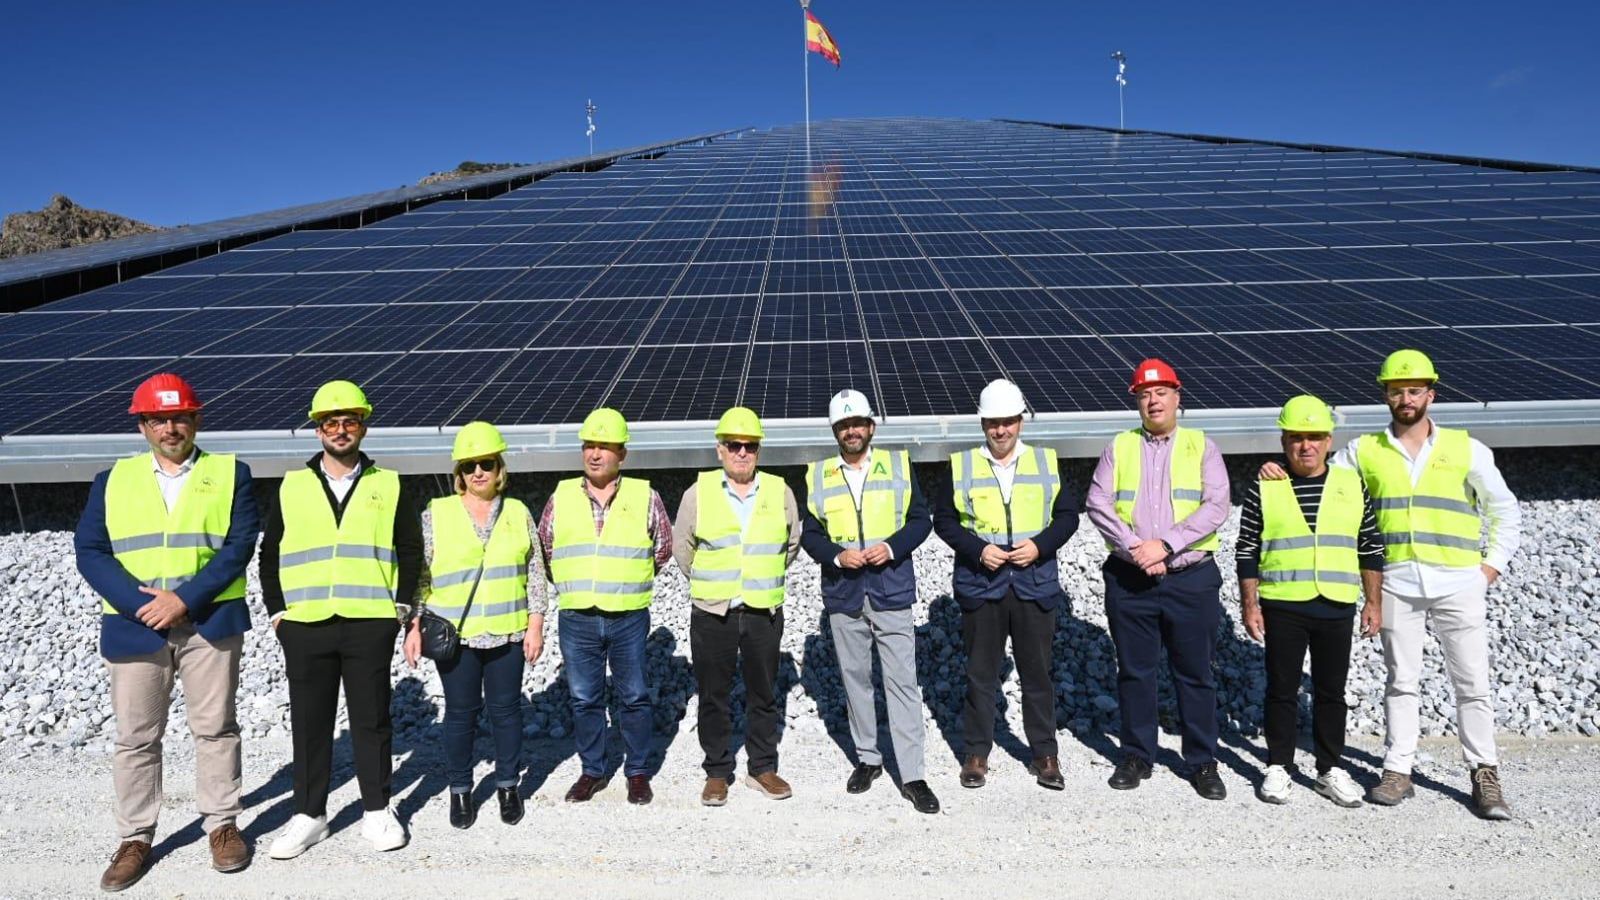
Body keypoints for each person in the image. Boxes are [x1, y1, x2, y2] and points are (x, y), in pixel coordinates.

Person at [1260, 349, 1521, 819]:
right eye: (1397, 389)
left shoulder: (1467, 448)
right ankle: (1398, 769)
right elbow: (1316, 473)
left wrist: (1489, 569)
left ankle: (1485, 773)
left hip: (1459, 580)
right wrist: (1274, 471)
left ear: (1430, 394)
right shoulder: (1363, 452)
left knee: (1472, 683)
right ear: (1385, 394)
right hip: (1399, 581)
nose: (1406, 397)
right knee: (1401, 681)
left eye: (1415, 389)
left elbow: (1503, 509)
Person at [75, 373, 259, 892]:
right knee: (136, 737)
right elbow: (90, 550)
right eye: (159, 418)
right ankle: (135, 837)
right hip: (136, 629)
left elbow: (238, 545)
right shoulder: (112, 480)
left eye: (180, 417)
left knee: (216, 728)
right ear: (143, 425)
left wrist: (184, 599)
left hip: (208, 621)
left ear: (197, 419)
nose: (171, 427)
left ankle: (222, 826)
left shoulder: (230, 473)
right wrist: (141, 606)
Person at [261, 380, 423, 859]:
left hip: (370, 621)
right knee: (311, 723)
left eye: (349, 420)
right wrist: (277, 615)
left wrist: (400, 609)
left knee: (372, 719)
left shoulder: (388, 483)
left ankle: (377, 810)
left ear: (363, 426)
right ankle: (309, 816)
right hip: (305, 623)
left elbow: (409, 550)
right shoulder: (291, 485)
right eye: (330, 422)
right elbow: (269, 553)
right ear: (317, 430)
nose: (340, 429)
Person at [1085, 358, 1231, 799]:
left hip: (1191, 578)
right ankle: (1136, 754)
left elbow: (1216, 506)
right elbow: (1097, 501)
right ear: (1137, 400)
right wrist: (1136, 549)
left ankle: (1203, 761)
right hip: (1131, 580)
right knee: (1135, 672)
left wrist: (1164, 545)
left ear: (1177, 396)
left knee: (1195, 674)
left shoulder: (1202, 446)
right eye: (1145, 394)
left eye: (1161, 392)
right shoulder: (1120, 446)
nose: (1153, 400)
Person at [1237, 395, 1383, 807]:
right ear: (1284, 441)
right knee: (1281, 690)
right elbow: (1246, 549)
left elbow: (1370, 545)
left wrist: (1374, 602)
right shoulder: (1265, 486)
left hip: (1336, 603)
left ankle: (1329, 769)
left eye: (1315, 437)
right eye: (1297, 437)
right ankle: (1278, 765)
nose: (1306, 446)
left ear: (1329, 440)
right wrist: (1250, 605)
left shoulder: (1351, 484)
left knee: (1330, 692)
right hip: (1283, 603)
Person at [933, 379, 1079, 793]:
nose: (1001, 431)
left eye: (1008, 422)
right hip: (983, 585)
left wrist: (1040, 546)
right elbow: (944, 520)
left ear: (1020, 421)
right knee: (980, 673)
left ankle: (1045, 755)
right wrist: (979, 550)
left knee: (1038, 674)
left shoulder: (1046, 462)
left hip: (1034, 583)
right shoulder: (961, 465)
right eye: (993, 423)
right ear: (983, 423)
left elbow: (1067, 516)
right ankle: (976, 753)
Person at [800, 389, 939, 814]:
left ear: (871, 426)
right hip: (844, 593)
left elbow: (920, 522)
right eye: (843, 425)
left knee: (900, 682)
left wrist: (892, 548)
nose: (852, 431)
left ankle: (913, 774)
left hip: (890, 588)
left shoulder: (897, 465)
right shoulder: (818, 474)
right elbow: (810, 534)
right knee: (855, 679)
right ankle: (868, 759)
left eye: (858, 423)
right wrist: (836, 556)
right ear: (835, 431)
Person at [403, 422, 545, 829]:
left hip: (508, 631)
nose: (478, 472)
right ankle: (460, 790)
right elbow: (421, 575)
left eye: (486, 463)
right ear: (458, 474)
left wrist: (535, 624)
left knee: (506, 713)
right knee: (460, 715)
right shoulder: (437, 512)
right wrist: (412, 626)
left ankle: (507, 785)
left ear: (500, 468)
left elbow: (534, 571)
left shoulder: (517, 512)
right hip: (456, 636)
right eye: (469, 466)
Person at [540, 408, 673, 805]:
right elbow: (546, 551)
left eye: (605, 447)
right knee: (584, 698)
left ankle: (637, 772)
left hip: (628, 615)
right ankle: (592, 771)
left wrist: (624, 579)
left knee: (633, 696)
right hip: (577, 615)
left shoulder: (645, 496)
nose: (595, 454)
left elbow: (662, 549)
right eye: (589, 446)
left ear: (622, 455)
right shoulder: (560, 496)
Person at [673, 407, 802, 806]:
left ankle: (762, 767)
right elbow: (683, 549)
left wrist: (758, 578)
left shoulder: (780, 491)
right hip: (714, 612)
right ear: (720, 450)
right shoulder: (698, 493)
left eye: (750, 446)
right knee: (714, 693)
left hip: (762, 610)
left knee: (764, 692)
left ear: (758, 449)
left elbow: (790, 544)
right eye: (734, 445)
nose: (742, 452)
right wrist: (717, 584)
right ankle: (717, 771)